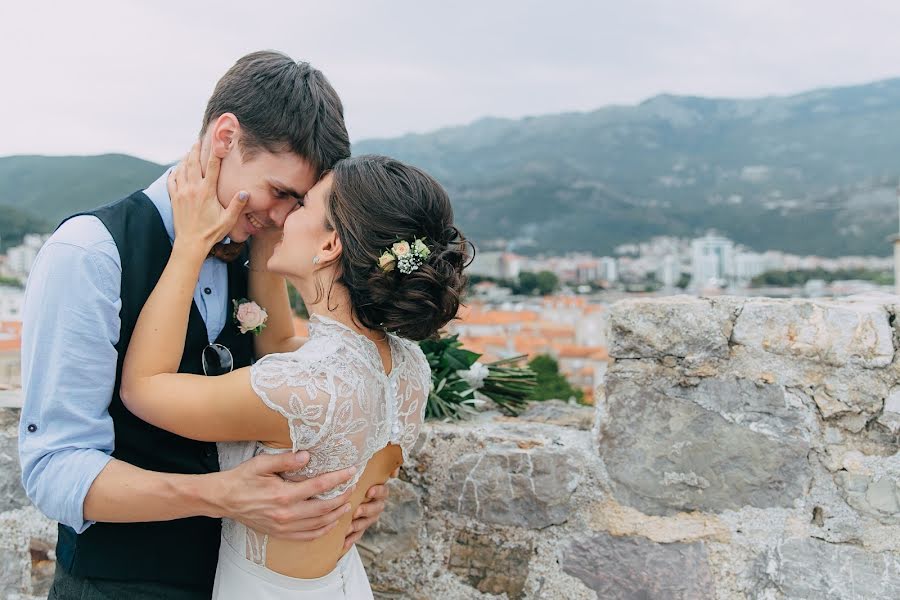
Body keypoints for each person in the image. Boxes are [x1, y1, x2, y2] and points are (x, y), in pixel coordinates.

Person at [19, 51, 395, 599]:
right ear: (225, 138)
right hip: (121, 585)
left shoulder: (264, 251)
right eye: (281, 192)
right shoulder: (90, 253)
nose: (283, 217)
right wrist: (219, 494)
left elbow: (286, 398)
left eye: (300, 203)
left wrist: (350, 485)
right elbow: (55, 469)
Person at [118, 145, 469, 598]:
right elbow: (280, 346)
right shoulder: (407, 366)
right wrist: (266, 240)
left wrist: (190, 245)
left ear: (328, 245)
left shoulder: (302, 384)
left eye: (303, 204)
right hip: (339, 581)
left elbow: (144, 389)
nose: (284, 214)